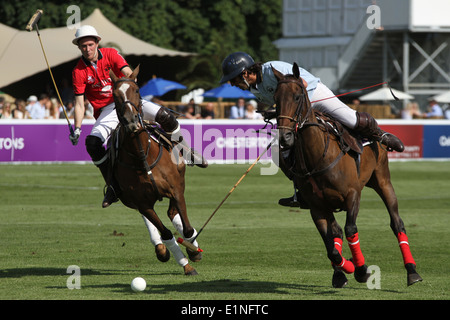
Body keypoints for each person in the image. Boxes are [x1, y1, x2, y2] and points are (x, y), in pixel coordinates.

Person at [220, 52, 405, 208]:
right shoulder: (255, 89)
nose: (232, 84)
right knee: (280, 149)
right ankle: (302, 190)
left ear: (244, 73)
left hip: (316, 95)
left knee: (350, 118)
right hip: (298, 111)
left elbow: (304, 84)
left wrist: (295, 107)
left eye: (232, 79)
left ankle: (382, 136)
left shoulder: (272, 69)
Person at [69, 25, 207, 209]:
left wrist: (128, 82)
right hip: (107, 111)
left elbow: (127, 72)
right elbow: (80, 103)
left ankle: (184, 151)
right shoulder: (78, 71)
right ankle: (112, 185)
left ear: (97, 43)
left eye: (90, 44)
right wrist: (77, 128)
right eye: (83, 46)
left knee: (167, 117)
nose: (87, 49)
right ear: (79, 47)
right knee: (92, 143)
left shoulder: (110, 54)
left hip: (128, 101)